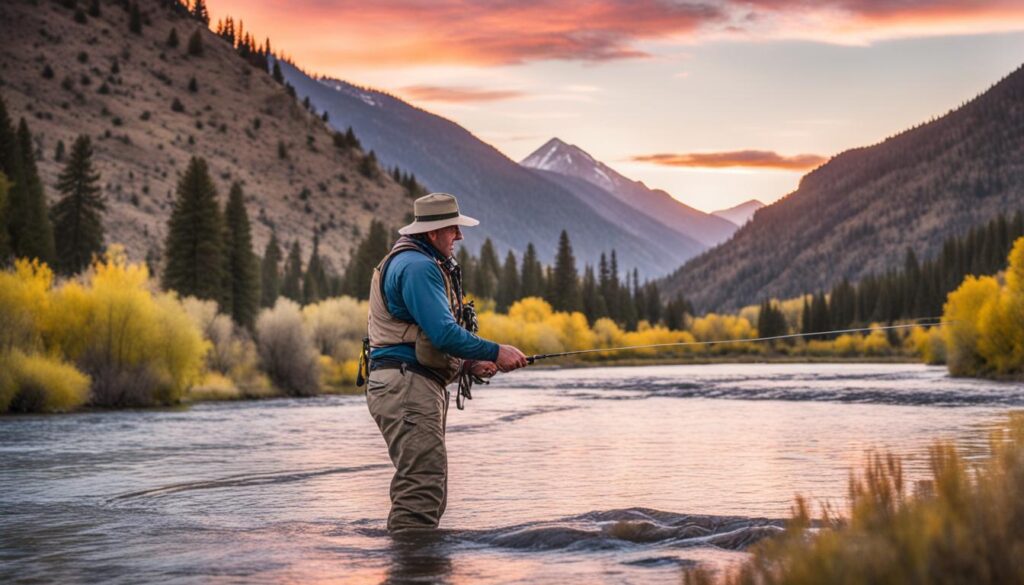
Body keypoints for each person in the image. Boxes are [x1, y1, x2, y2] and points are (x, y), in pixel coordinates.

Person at [363, 192, 529, 531]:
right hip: (407, 385)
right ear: (433, 232)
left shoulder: (411, 262)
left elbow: (421, 335)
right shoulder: (419, 267)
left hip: (409, 383)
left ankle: (421, 566)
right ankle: (412, 567)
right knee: (422, 487)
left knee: (429, 487)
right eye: (453, 228)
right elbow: (442, 333)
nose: (460, 236)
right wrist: (495, 351)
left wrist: (467, 365)